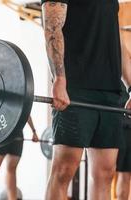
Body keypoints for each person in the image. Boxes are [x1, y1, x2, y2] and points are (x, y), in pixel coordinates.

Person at [42, 0, 130, 199]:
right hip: (76, 88)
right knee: (64, 170)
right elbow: (52, 27)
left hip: (110, 92)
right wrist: (59, 79)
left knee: (105, 173)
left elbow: (117, 44)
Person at [0, 116, 38, 200]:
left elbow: (27, 113)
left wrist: (34, 131)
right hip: (1, 132)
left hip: (16, 135)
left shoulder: (22, 102)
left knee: (11, 169)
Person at [116, 41, 131, 200]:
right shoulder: (122, 71)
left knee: (124, 175)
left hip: (125, 128)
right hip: (119, 126)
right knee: (106, 174)